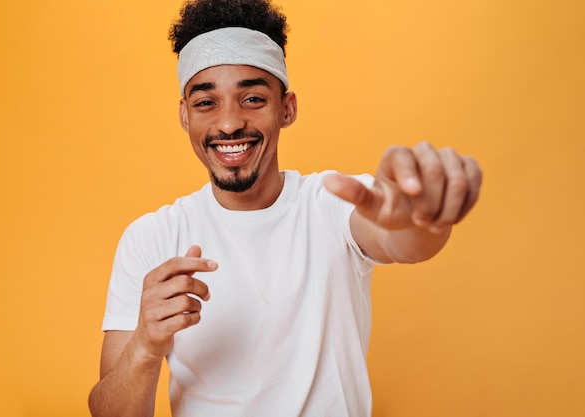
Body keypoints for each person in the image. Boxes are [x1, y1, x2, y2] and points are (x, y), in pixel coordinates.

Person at [88, 0, 483, 416]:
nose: (228, 124)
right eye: (206, 103)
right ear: (185, 115)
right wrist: (145, 347)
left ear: (287, 108)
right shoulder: (150, 238)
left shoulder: (333, 202)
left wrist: (424, 217)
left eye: (253, 98)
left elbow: (400, 240)